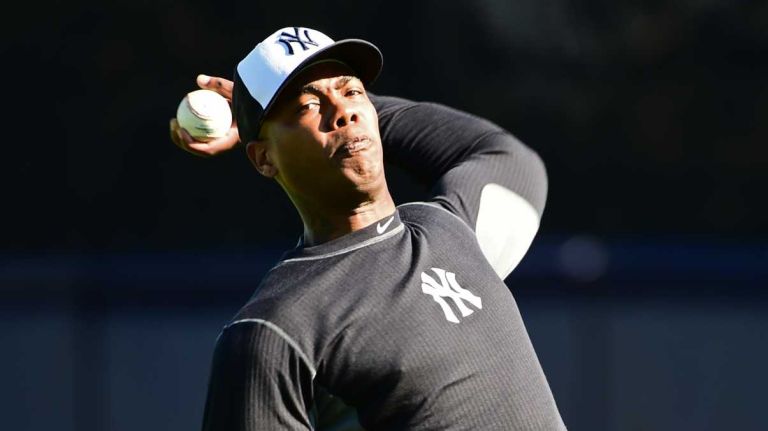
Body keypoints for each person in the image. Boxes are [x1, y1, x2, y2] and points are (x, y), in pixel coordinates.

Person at [170, 26, 566, 431]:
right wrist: (273, 118)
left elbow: (505, 157)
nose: (344, 111)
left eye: (352, 91)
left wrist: (352, 110)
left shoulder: (450, 230)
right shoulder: (274, 331)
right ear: (262, 159)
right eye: (307, 106)